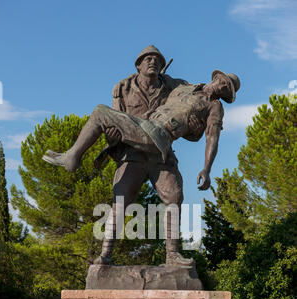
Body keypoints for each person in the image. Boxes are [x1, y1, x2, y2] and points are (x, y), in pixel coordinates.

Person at [43, 51, 240, 266]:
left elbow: (211, 137)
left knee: (174, 197)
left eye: (225, 87)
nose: (220, 85)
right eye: (221, 81)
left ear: (226, 95)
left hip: (159, 139)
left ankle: (172, 255)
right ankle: (105, 256)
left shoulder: (214, 106)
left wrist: (206, 169)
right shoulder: (182, 86)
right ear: (214, 78)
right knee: (120, 203)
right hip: (139, 145)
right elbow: (152, 79)